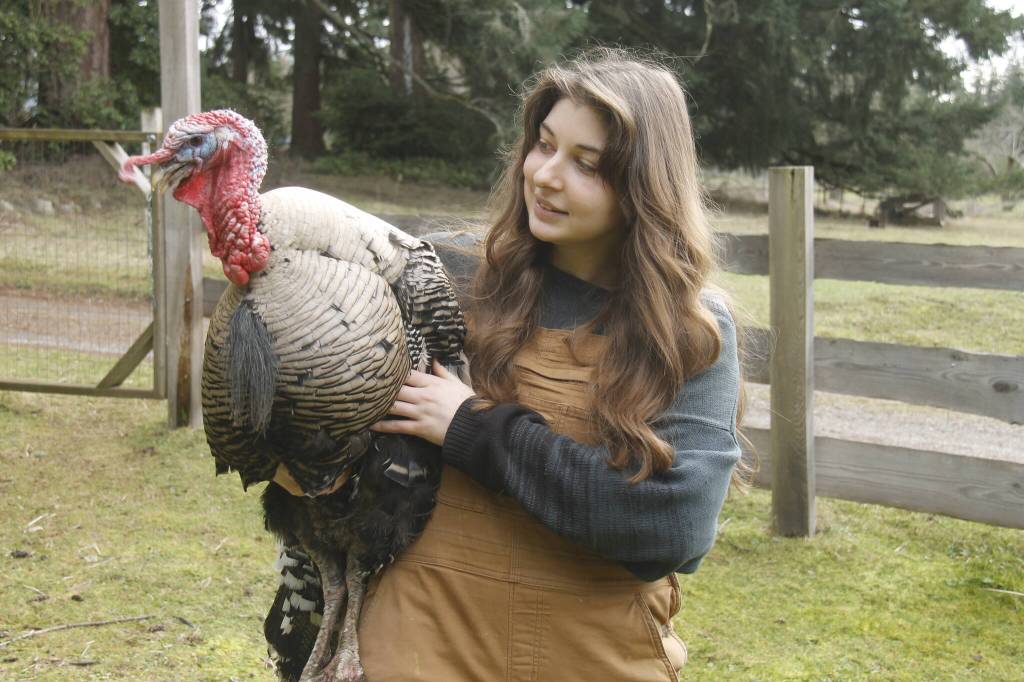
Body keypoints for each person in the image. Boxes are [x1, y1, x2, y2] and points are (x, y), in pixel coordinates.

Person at [359, 48, 745, 681]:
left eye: (585, 164)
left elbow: (672, 525)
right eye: (543, 145)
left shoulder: (688, 331)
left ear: (643, 189)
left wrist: (471, 428)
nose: (545, 175)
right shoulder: (444, 281)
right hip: (418, 646)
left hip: (591, 662)